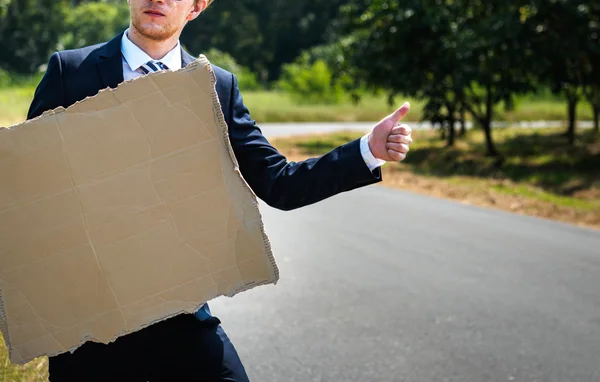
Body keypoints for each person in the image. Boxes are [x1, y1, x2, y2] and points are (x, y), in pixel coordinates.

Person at [27, 0, 414, 380]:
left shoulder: (217, 86)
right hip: (94, 319)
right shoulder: (71, 71)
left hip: (181, 312)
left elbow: (280, 183)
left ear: (196, 7)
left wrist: (367, 151)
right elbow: (29, 186)